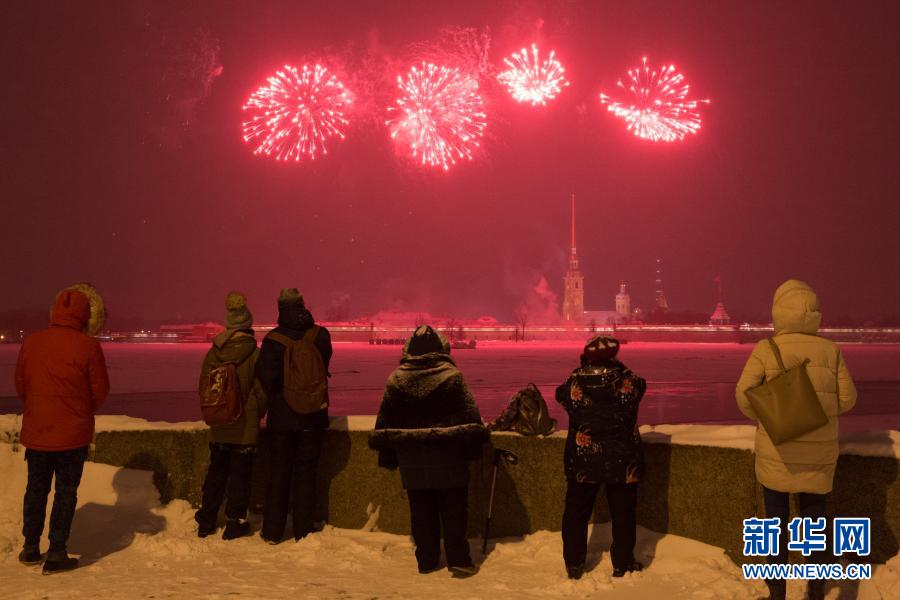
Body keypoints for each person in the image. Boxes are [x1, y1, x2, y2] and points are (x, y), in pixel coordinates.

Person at [736, 280, 857, 600]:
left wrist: (771, 416)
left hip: (776, 451)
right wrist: (818, 411)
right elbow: (848, 399)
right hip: (819, 455)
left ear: (779, 311)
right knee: (815, 525)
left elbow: (743, 396)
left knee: (774, 527)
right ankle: (816, 590)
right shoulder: (831, 350)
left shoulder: (766, 348)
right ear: (815, 313)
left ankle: (777, 593)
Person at [369, 325, 488, 578]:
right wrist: (472, 452)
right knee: (454, 510)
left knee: (421, 510)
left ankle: (426, 559)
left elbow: (385, 423)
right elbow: (470, 419)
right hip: (449, 456)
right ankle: (459, 559)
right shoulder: (452, 376)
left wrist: (388, 456)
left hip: (411, 459)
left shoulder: (396, 379)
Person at [14, 285, 110, 574]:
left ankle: (30, 547)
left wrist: (39, 407)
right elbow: (100, 392)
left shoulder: (32, 343)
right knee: (65, 493)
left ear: (55, 310)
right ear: (85, 315)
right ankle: (57, 552)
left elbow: (21, 385)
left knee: (35, 490)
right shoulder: (88, 346)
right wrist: (79, 410)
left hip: (38, 432)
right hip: (72, 435)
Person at [555, 336, 646, 580]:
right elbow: (641, 386)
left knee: (576, 513)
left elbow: (560, 395)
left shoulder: (575, 381)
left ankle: (574, 564)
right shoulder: (628, 380)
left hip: (583, 458)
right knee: (623, 513)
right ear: (614, 355)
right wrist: (619, 368)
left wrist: (583, 369)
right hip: (622, 458)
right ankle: (623, 563)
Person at [257, 288, 332, 543]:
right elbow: (323, 367)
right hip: (313, 416)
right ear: (302, 305)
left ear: (280, 309)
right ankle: (303, 530)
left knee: (279, 472)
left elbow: (267, 379)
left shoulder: (272, 340)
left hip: (282, 418)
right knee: (307, 473)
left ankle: (272, 531)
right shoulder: (320, 335)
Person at [195, 292, 266, 540]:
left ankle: (207, 520)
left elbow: (203, 386)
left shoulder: (213, 353)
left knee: (216, 472)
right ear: (248, 325)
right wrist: (257, 411)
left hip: (220, 420)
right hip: (245, 424)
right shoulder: (255, 353)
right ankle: (234, 522)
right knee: (240, 475)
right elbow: (261, 390)